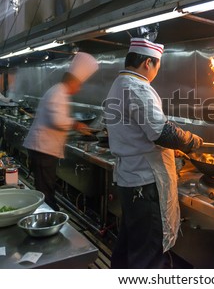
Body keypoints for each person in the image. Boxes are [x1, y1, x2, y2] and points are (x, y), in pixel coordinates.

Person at [104, 38, 203, 269]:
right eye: (157, 65)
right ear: (148, 62)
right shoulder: (137, 87)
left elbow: (139, 130)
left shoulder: (119, 84)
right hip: (145, 182)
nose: (157, 71)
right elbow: (162, 132)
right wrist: (190, 141)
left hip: (131, 179)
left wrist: (174, 148)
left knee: (130, 244)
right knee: (148, 255)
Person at [23, 52, 99, 211]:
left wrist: (75, 125)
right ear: (72, 81)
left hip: (43, 148)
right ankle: (48, 215)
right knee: (45, 187)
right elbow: (57, 120)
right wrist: (77, 125)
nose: (79, 89)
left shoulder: (59, 91)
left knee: (46, 185)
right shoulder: (59, 93)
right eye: (79, 85)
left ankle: (48, 211)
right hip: (43, 149)